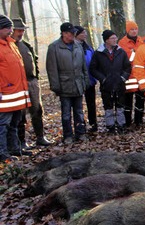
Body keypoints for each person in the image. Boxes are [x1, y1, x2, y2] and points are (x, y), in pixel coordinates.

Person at [11, 18, 52, 148]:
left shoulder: (26, 45)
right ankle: (21, 141)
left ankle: (40, 137)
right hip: (17, 85)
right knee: (20, 114)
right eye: (18, 30)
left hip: (32, 82)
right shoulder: (9, 46)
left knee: (37, 110)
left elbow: (34, 61)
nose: (21, 32)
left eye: (22, 30)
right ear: (12, 31)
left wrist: (36, 78)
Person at [46, 22, 90, 144]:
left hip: (78, 84)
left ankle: (80, 133)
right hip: (64, 85)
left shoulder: (78, 45)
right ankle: (68, 135)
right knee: (66, 113)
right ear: (64, 33)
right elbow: (52, 69)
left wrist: (85, 81)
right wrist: (55, 86)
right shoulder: (54, 47)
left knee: (79, 112)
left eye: (74, 33)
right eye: (71, 33)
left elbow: (83, 67)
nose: (73, 35)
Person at [0, 15, 30, 161]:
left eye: (10, 28)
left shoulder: (11, 44)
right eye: (7, 28)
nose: (10, 31)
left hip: (18, 92)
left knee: (15, 123)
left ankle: (15, 149)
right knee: (3, 124)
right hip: (5, 94)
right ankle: (2, 152)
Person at [89, 30, 131, 134]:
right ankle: (110, 126)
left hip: (120, 84)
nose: (115, 40)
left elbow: (127, 67)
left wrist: (123, 78)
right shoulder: (98, 53)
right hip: (106, 85)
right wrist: (103, 79)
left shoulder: (121, 52)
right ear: (106, 40)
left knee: (121, 106)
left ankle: (121, 125)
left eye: (115, 38)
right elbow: (93, 69)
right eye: (112, 38)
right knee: (108, 106)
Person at [118, 21, 145, 129]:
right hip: (129, 78)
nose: (134, 31)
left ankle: (139, 121)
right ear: (127, 31)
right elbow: (125, 60)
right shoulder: (122, 43)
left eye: (135, 29)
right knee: (127, 102)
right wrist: (135, 53)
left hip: (140, 77)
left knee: (140, 101)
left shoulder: (141, 41)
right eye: (131, 29)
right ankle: (128, 122)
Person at [74, 26, 98, 133]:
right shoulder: (73, 47)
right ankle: (80, 126)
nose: (85, 34)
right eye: (82, 33)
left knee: (91, 104)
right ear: (76, 34)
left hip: (90, 80)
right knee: (78, 106)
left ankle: (93, 124)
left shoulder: (88, 47)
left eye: (85, 32)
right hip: (78, 81)